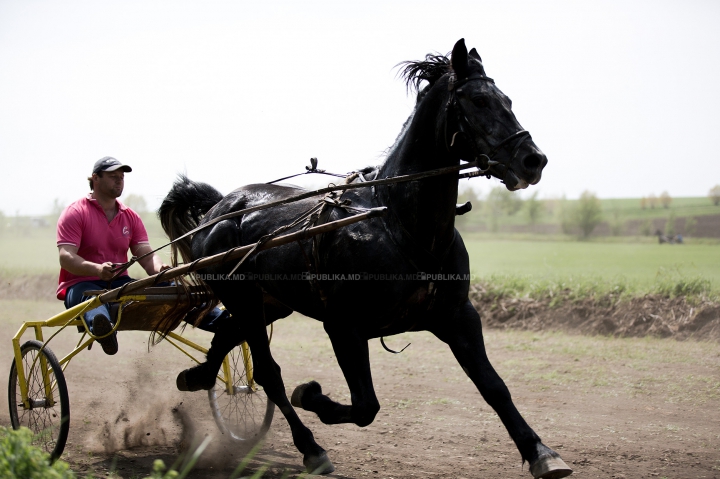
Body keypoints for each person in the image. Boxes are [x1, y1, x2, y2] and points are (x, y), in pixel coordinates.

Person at [56, 157, 172, 354]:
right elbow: (66, 257)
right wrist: (97, 269)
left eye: (121, 177)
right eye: (113, 176)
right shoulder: (75, 212)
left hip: (120, 285)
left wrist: (161, 269)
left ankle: (218, 320)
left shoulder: (131, 216)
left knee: (171, 287)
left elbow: (145, 253)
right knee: (92, 303)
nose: (119, 181)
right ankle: (103, 328)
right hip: (81, 285)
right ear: (96, 179)